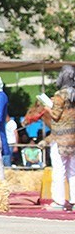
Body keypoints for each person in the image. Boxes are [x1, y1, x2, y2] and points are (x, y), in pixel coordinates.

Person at [41, 65, 75, 211]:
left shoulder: (60, 95)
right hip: (73, 136)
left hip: (60, 138)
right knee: (73, 170)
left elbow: (55, 115)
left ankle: (59, 201)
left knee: (59, 170)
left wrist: (47, 106)